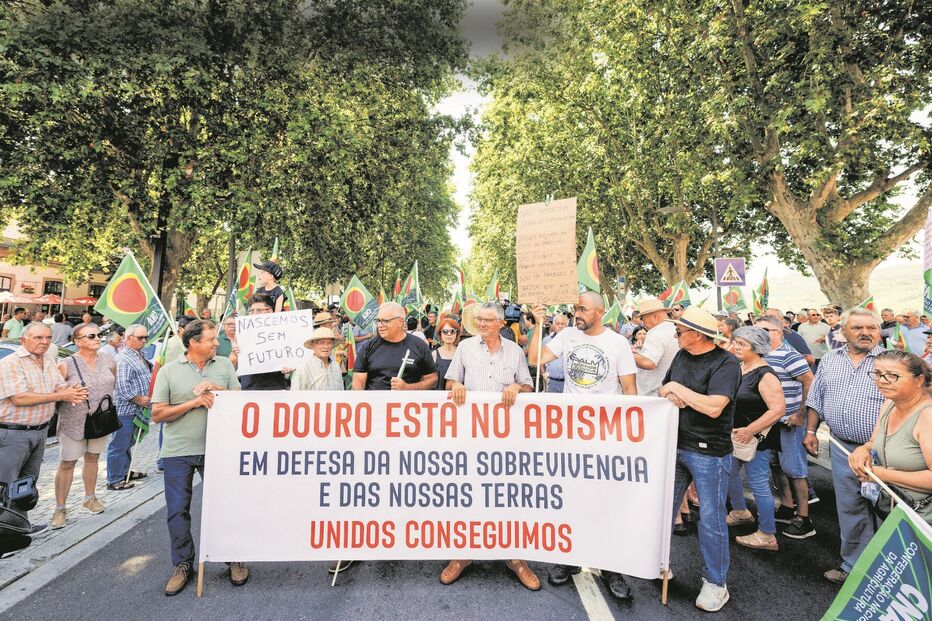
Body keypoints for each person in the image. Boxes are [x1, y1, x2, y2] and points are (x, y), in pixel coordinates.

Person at [528, 291, 637, 599]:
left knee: (606, 500)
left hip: (607, 434)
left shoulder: (618, 344)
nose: (578, 313)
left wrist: (630, 434)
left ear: (600, 312)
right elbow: (536, 359)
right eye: (576, 308)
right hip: (571, 433)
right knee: (572, 496)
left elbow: (630, 388)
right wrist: (538, 324)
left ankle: (611, 566)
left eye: (583, 309)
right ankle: (569, 558)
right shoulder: (567, 337)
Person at [440, 302, 537, 590]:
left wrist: (517, 387)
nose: (481, 324)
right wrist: (456, 386)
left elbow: (529, 387)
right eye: (479, 319)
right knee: (468, 494)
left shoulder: (516, 351)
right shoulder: (465, 348)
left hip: (506, 440)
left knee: (507, 494)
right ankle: (462, 555)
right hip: (470, 437)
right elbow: (450, 383)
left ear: (501, 324)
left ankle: (515, 557)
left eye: (488, 320)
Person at [151, 319, 246, 595]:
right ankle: (182, 564)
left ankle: (233, 558)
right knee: (178, 509)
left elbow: (240, 402)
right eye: (211, 339)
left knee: (225, 505)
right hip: (178, 451)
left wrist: (217, 389)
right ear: (193, 343)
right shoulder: (169, 371)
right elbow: (157, 414)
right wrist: (194, 402)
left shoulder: (225, 365)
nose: (217, 343)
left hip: (218, 447)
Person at [659, 306, 741, 612]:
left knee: (711, 518)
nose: (676, 334)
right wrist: (670, 393)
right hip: (675, 444)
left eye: (679, 331)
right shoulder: (681, 356)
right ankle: (657, 562)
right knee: (662, 509)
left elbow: (714, 407)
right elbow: (663, 388)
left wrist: (677, 390)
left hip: (709, 452)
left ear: (697, 334)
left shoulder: (726, 363)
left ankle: (716, 583)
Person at [803, 308, 885, 584]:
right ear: (843, 332)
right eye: (858, 328)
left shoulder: (891, 362)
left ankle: (888, 572)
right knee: (850, 507)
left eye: (871, 328)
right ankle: (853, 566)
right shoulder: (829, 360)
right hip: (841, 446)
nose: (865, 333)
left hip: (883, 451)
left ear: (879, 332)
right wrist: (811, 430)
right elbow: (816, 396)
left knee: (885, 509)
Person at [0, 323, 87, 523]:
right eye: (38, 338)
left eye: (48, 338)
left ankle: (19, 527)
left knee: (26, 486)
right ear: (24, 340)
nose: (45, 342)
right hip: (13, 434)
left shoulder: (47, 360)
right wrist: (61, 394)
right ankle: (3, 534)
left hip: (39, 432)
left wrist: (70, 389)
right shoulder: (11, 363)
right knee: (4, 486)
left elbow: (59, 385)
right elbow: (19, 398)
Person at [848, 350, 932, 525]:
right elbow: (873, 441)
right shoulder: (889, 404)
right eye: (878, 374)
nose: (882, 381)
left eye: (892, 375)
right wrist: (863, 449)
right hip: (895, 511)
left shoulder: (927, 416)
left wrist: (881, 474)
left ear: (919, 380)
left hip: (923, 521)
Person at [752, 315, 816, 539]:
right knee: (776, 466)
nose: (760, 334)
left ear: (779, 333)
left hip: (789, 422)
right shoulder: (759, 355)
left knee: (795, 470)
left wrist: (800, 414)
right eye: (756, 329)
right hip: (770, 422)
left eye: (766, 330)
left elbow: (810, 383)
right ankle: (788, 507)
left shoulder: (790, 356)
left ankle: (804, 518)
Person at [725, 327, 786, 551]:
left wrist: (750, 430)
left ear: (757, 348)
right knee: (730, 472)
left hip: (757, 438)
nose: (735, 347)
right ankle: (740, 512)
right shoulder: (741, 366)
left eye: (742, 344)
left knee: (759, 483)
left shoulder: (765, 374)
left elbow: (778, 409)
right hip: (737, 436)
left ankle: (767, 534)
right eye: (736, 342)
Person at [50, 322, 116, 528]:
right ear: (77, 341)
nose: (97, 338)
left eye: (98, 334)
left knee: (93, 457)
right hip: (74, 421)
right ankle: (60, 509)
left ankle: (90, 498)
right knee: (68, 463)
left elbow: (114, 382)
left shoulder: (108, 359)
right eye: (90, 336)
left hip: (101, 419)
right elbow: (55, 394)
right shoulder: (67, 364)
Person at [352, 302, 437, 392]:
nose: (380, 325)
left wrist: (408, 388)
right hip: (376, 405)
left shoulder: (419, 345)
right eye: (378, 321)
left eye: (385, 321)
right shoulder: (368, 347)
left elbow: (432, 379)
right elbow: (358, 383)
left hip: (407, 405)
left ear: (400, 322)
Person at [110, 324, 152, 490]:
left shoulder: (139, 355)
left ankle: (125, 471)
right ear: (127, 339)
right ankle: (114, 479)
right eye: (140, 338)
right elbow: (121, 386)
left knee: (128, 442)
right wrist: (138, 399)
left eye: (145, 338)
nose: (143, 341)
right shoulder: (124, 358)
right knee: (119, 444)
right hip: (126, 409)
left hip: (138, 409)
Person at [238, 294, 290, 390]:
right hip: (248, 388)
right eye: (251, 311)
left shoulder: (282, 333)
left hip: (274, 388)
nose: (254, 314)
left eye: (258, 310)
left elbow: (292, 360)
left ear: (270, 311)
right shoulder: (243, 334)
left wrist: (289, 367)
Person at [633, 298, 678, 397]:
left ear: (655, 317)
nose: (642, 323)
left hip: (654, 395)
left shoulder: (656, 333)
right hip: (669, 391)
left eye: (643, 318)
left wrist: (627, 352)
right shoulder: (674, 329)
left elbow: (649, 362)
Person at [431, 318, 460, 390]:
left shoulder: (462, 353)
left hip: (459, 397)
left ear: (457, 334)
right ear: (440, 334)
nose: (449, 334)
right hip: (438, 398)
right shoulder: (434, 354)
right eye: (445, 331)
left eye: (452, 331)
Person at [542, 313, 568, 393]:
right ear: (553, 325)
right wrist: (543, 374)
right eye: (557, 324)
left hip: (566, 383)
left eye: (562, 324)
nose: (560, 326)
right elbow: (541, 359)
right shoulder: (547, 340)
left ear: (567, 326)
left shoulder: (572, 341)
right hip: (551, 381)